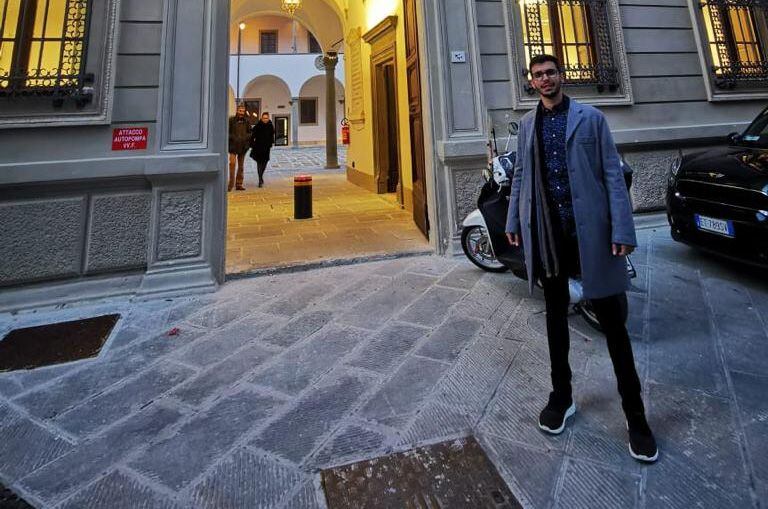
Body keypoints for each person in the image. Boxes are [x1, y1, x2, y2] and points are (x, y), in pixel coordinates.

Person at [505, 54, 658, 463]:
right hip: (550, 237)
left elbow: (612, 173)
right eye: (537, 75)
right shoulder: (526, 126)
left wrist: (623, 230)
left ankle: (636, 417)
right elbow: (520, 174)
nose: (544, 79)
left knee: (614, 325)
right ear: (531, 82)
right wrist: (514, 220)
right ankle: (562, 397)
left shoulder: (591, 119)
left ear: (562, 76)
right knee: (556, 320)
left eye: (550, 73)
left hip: (592, 237)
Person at [228, 104, 252, 191]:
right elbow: (227, 131)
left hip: (243, 147)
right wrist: (233, 137)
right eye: (240, 111)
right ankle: (230, 184)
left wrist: (245, 137)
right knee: (232, 164)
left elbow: (250, 133)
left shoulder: (247, 121)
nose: (241, 113)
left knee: (241, 166)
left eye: (243, 111)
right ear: (237, 110)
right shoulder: (231, 120)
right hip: (233, 147)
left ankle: (239, 184)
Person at [250, 112, 275, 188]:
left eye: (266, 118)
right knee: (259, 163)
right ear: (261, 118)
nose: (265, 119)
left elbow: (272, 135)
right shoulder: (258, 126)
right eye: (264, 118)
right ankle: (260, 179)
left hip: (266, 147)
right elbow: (252, 135)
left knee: (265, 162)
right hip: (258, 147)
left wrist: (271, 143)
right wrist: (252, 144)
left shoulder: (270, 126)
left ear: (268, 118)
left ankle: (261, 176)